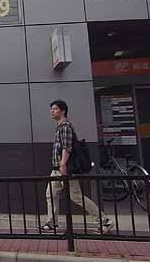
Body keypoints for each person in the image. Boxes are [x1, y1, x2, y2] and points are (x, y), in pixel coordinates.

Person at [43, 100, 113, 233]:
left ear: (63, 111)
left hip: (63, 169)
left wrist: (63, 165)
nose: (52, 111)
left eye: (55, 109)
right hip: (56, 170)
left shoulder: (65, 127)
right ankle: (52, 223)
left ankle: (105, 221)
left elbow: (67, 147)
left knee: (76, 197)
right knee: (51, 195)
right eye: (51, 109)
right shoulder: (59, 127)